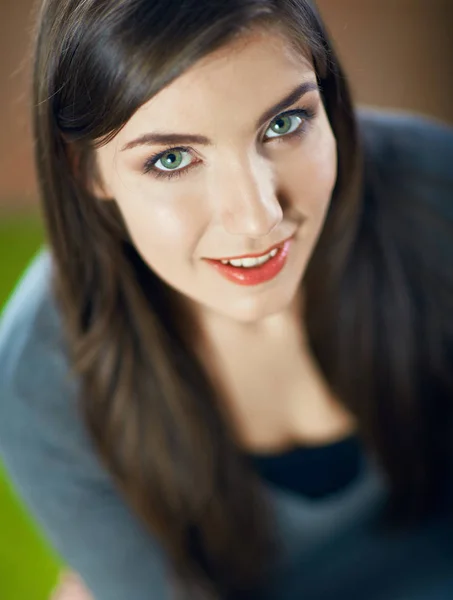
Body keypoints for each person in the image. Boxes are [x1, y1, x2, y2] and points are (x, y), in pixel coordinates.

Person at [0, 0, 452, 599]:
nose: (257, 217)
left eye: (285, 124)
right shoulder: (38, 380)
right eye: (172, 159)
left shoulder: (435, 194)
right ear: (87, 171)